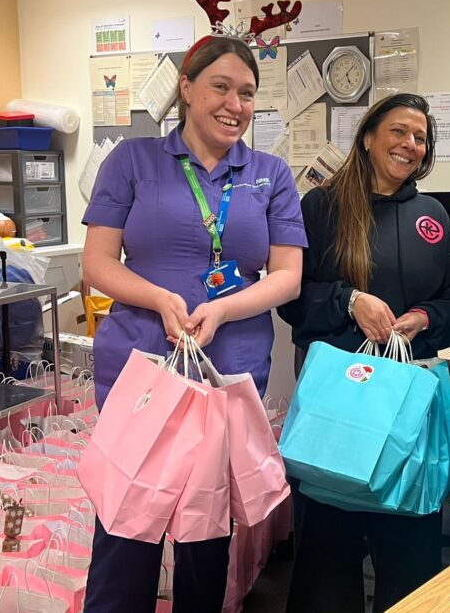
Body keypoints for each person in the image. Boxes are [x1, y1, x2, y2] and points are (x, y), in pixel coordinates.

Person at [81, 34, 306, 613]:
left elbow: (287, 276)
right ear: (186, 88)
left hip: (227, 374)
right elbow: (97, 262)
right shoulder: (133, 161)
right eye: (221, 87)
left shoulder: (271, 174)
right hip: (143, 368)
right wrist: (159, 298)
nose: (235, 104)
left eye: (248, 93)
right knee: (127, 525)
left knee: (207, 532)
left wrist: (226, 307)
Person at [278, 93, 450, 613]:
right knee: (326, 567)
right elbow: (292, 300)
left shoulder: (432, 214)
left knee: (409, 566)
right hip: (338, 416)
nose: (410, 144)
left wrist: (425, 319)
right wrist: (349, 301)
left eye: (420, 137)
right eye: (399, 132)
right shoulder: (320, 207)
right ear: (368, 136)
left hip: (408, 416)